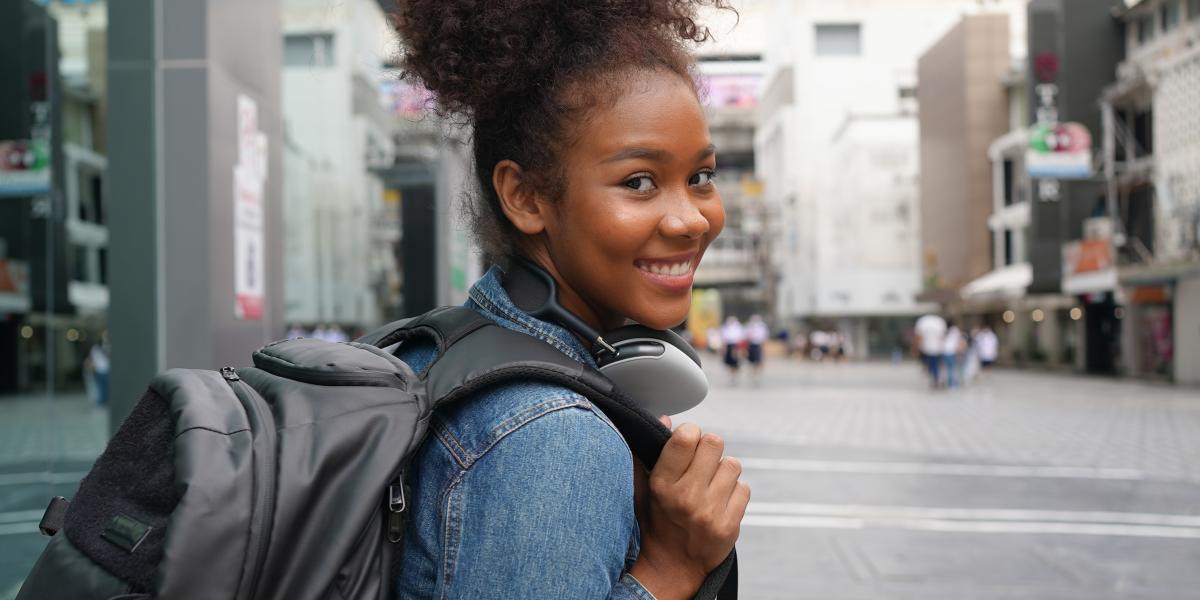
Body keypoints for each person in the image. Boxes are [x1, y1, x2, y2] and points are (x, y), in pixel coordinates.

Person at [390, 1, 748, 597]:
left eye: (701, 177)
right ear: (526, 196)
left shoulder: (445, 351)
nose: (691, 220)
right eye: (639, 182)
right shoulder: (552, 437)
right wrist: (672, 567)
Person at [913, 313, 946, 388]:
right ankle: (936, 380)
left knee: (933, 366)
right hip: (937, 349)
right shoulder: (939, 322)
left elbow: (919, 337)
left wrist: (917, 348)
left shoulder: (923, 323)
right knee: (937, 366)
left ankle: (936, 380)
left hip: (929, 349)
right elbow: (942, 337)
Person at [720, 316, 745, 384]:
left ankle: (735, 375)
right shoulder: (726, 328)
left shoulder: (738, 328)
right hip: (729, 346)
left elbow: (740, 339)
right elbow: (724, 340)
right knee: (730, 363)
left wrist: (738, 349)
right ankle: (732, 376)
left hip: (735, 346)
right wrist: (724, 349)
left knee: (735, 362)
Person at [745, 314, 769, 384]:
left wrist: (763, 346)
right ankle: (753, 373)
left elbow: (764, 337)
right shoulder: (749, 326)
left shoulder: (762, 327)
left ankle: (758, 374)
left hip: (758, 344)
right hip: (751, 344)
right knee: (752, 361)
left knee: (759, 360)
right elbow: (747, 336)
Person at [943, 319, 964, 388]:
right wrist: (959, 350)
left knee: (948, 368)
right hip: (952, 351)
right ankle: (952, 383)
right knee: (952, 368)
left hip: (945, 351)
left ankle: (950, 382)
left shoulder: (945, 330)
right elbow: (959, 340)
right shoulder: (955, 330)